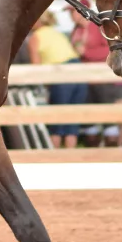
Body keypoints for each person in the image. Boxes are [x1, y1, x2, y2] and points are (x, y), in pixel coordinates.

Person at [69, 0, 122, 147]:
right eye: (69, 12)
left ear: (82, 11)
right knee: (90, 124)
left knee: (110, 119)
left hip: (103, 80)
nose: (70, 16)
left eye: (73, 12)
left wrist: (86, 53)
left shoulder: (99, 27)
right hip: (86, 81)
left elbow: (111, 49)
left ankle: (114, 150)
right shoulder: (75, 30)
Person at [26, 11, 87, 148]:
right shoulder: (57, 33)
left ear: (38, 21)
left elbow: (36, 70)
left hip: (61, 75)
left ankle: (54, 158)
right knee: (73, 121)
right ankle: (69, 157)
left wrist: (45, 89)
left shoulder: (35, 38)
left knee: (56, 121)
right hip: (79, 71)